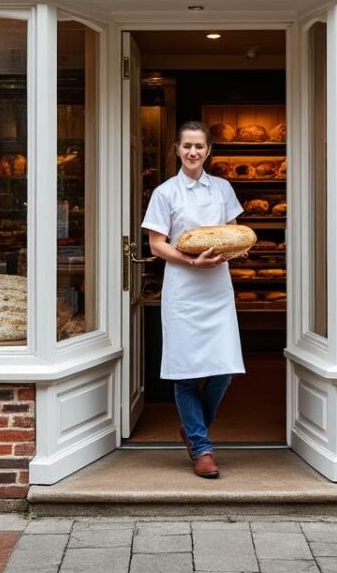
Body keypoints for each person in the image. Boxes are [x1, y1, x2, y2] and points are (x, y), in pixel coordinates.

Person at [141, 121, 245, 479]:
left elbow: (233, 235)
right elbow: (156, 244)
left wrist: (231, 253)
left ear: (209, 150)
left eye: (199, 146)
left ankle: (192, 427)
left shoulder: (223, 189)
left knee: (224, 370)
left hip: (216, 289)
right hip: (183, 290)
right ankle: (202, 448)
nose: (193, 152)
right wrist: (189, 260)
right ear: (177, 149)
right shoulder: (165, 193)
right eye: (186, 146)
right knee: (185, 374)